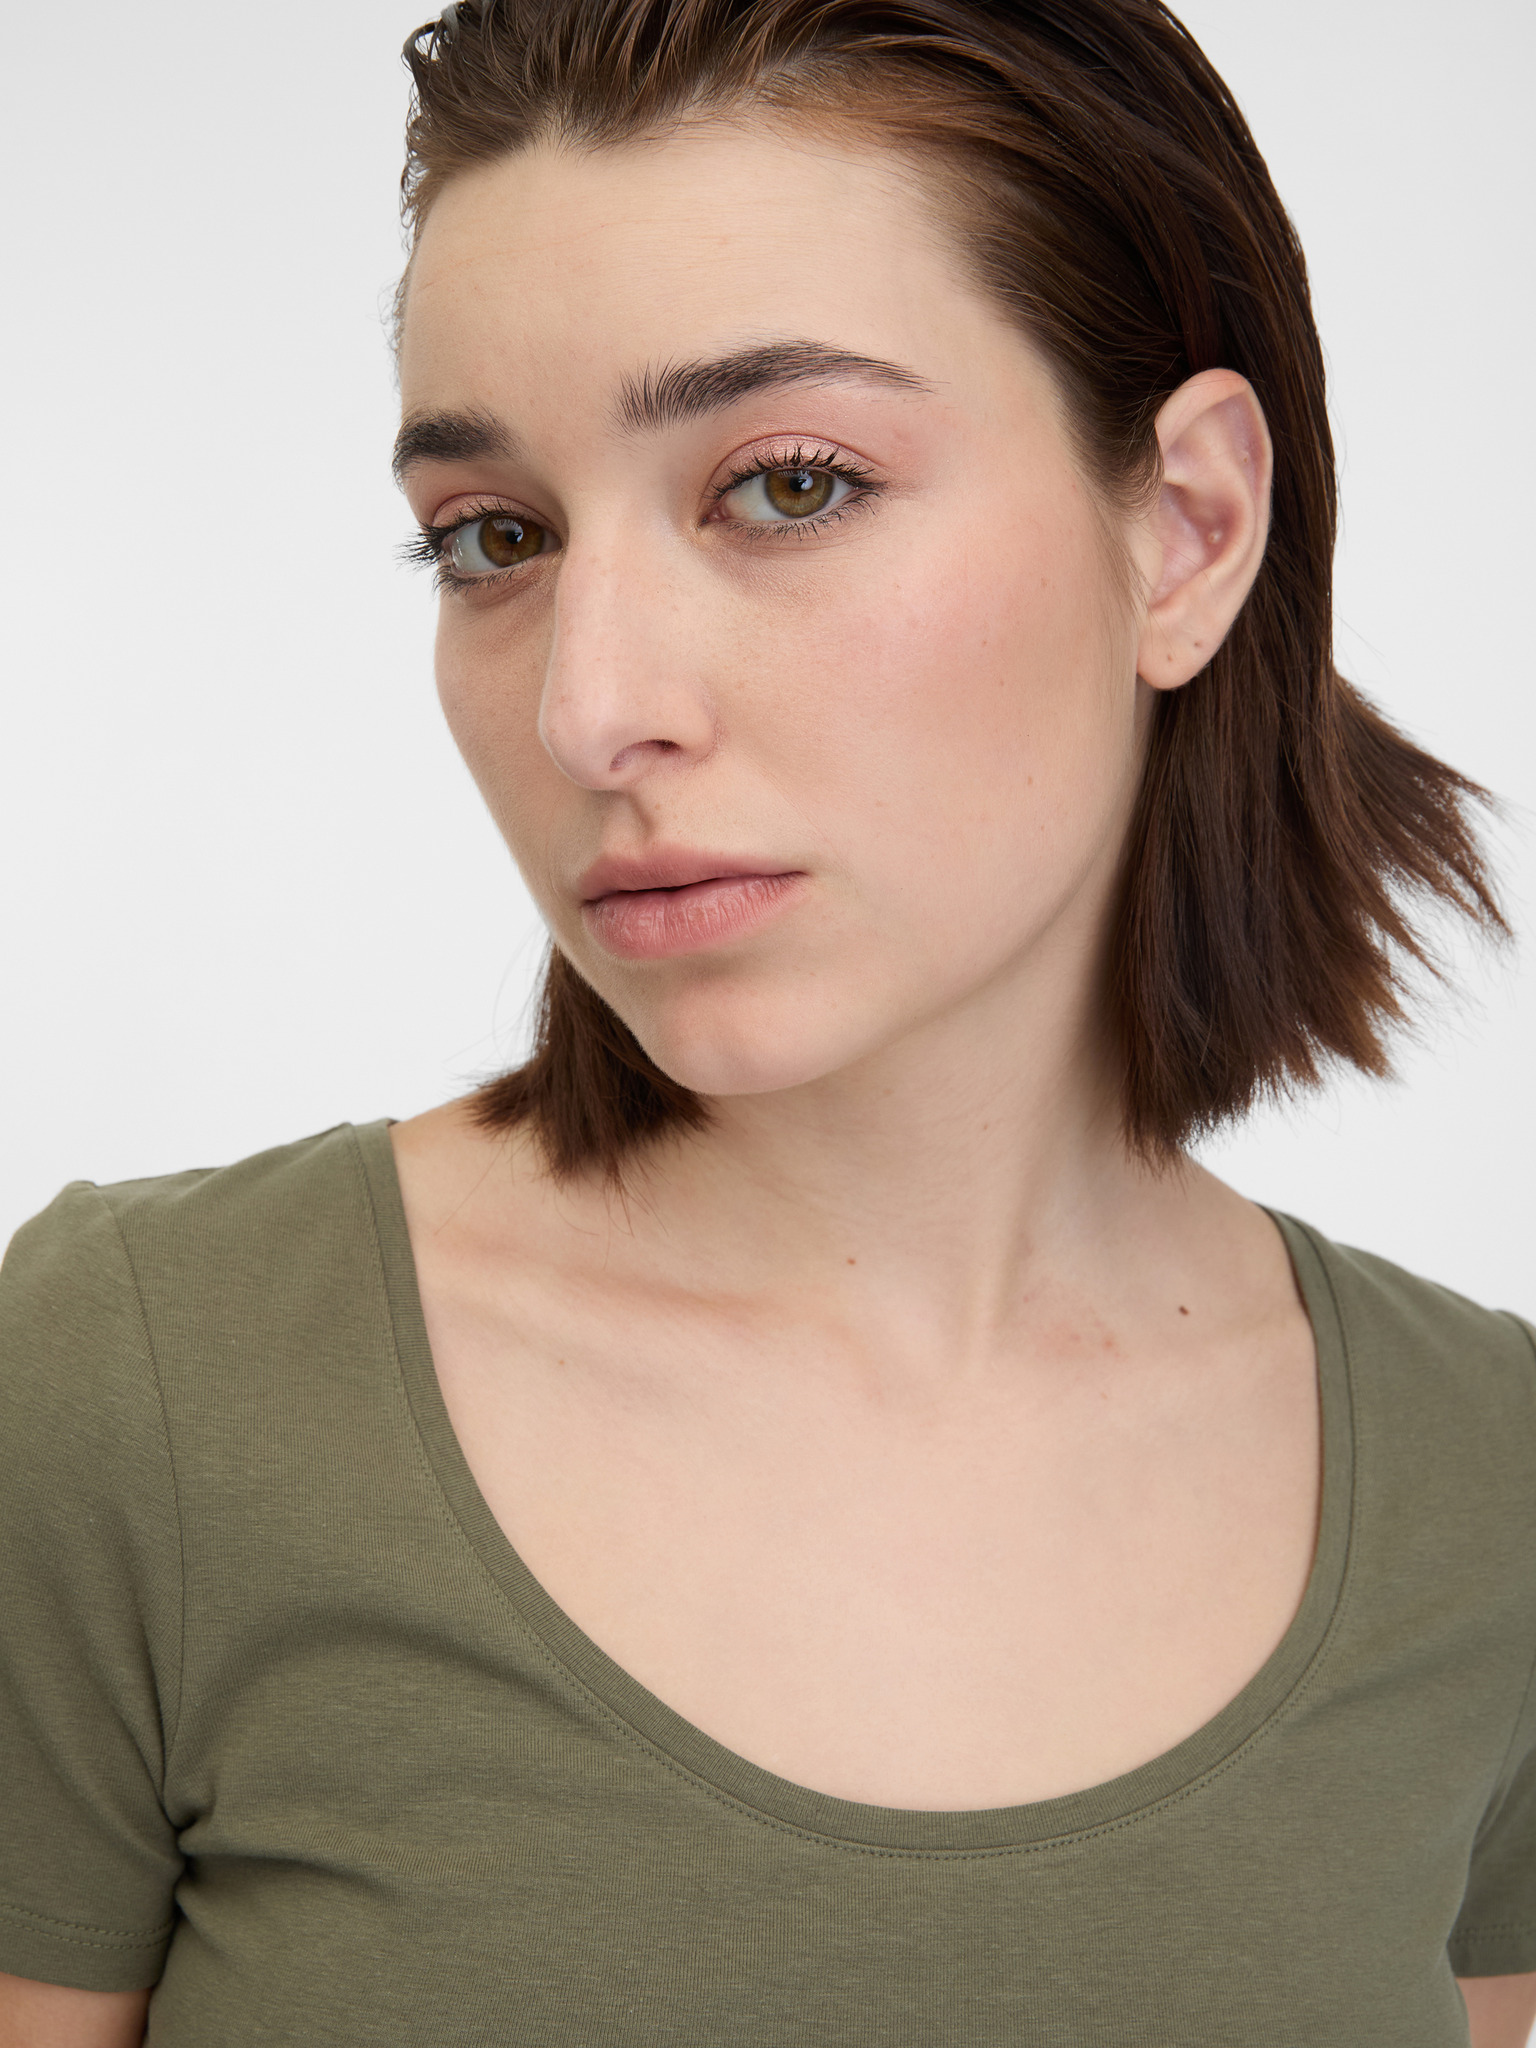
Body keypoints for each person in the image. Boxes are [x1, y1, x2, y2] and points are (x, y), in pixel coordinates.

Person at [2, 0, 1532, 2041]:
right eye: (494, 538)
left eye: (788, 485)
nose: (590, 706)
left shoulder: (1487, 1489)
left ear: (1187, 530)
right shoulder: (143, 1397)